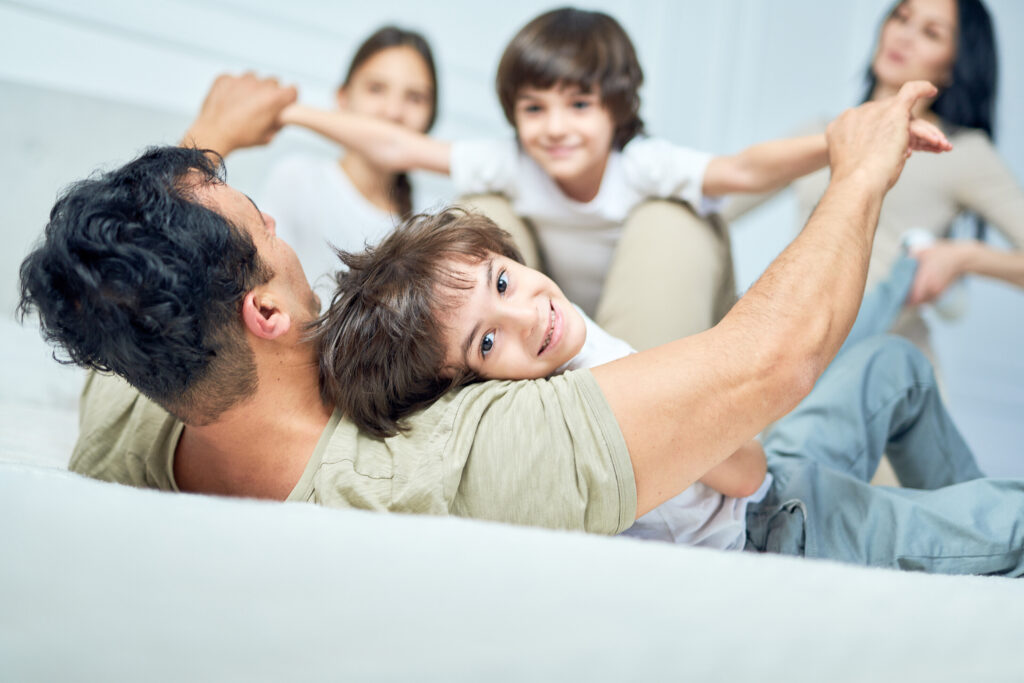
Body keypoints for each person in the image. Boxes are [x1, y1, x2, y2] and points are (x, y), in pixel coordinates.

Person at [19, 73, 1024, 575]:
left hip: (765, 463)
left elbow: (124, 287)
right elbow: (768, 362)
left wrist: (202, 146)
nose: (277, 221)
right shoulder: (436, 469)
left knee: (892, 362)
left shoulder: (133, 402)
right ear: (267, 312)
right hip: (763, 495)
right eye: (260, 226)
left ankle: (962, 545)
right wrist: (858, 171)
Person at [276, 8, 949, 350]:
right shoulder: (512, 164)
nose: (555, 128)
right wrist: (293, 110)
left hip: (657, 321)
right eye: (534, 109)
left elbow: (743, 168)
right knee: (478, 206)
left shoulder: (641, 166)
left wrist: (842, 141)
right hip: (557, 324)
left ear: (616, 109)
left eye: (579, 105)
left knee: (677, 217)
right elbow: (400, 144)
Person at [311, 208, 925, 550]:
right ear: (472, 391)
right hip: (765, 527)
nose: (527, 315)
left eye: (501, 282)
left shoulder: (561, 349)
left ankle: (908, 274)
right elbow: (748, 472)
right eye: (488, 342)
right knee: (997, 523)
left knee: (891, 365)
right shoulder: (571, 408)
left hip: (763, 485)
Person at [726, 0, 1024, 367]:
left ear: (954, 66)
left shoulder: (959, 152)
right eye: (901, 17)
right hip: (794, 356)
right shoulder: (822, 133)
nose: (905, 36)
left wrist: (964, 256)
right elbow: (720, 201)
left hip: (877, 372)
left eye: (931, 33)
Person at [259, 25, 439, 296]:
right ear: (342, 98)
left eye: (415, 98)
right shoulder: (297, 179)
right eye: (376, 88)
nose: (393, 111)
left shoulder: (432, 221)